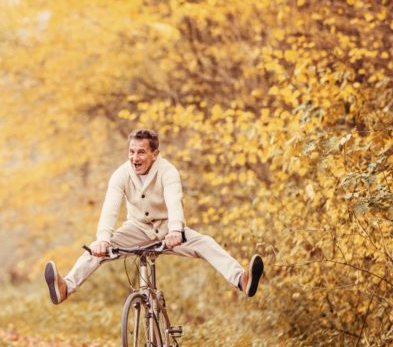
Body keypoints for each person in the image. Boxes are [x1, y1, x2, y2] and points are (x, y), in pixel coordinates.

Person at [44, 128, 263, 304]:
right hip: (136, 229)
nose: (134, 157)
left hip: (168, 230)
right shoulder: (121, 175)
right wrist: (103, 238)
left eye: (141, 152)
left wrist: (176, 230)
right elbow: (110, 208)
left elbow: (174, 200)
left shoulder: (168, 172)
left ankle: (241, 280)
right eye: (131, 152)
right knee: (95, 250)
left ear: (154, 154)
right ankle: (65, 287)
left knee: (205, 243)